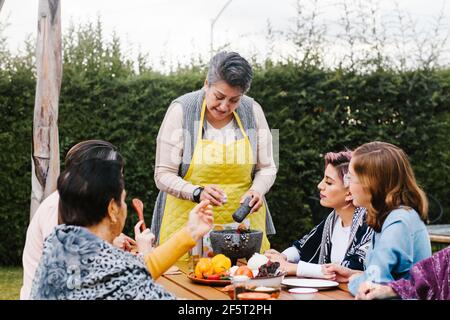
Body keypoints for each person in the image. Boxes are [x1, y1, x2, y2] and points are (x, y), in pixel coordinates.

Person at [31, 157, 214, 299]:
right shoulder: (121, 272)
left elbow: (132, 271)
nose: (124, 207)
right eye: (123, 199)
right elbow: (128, 275)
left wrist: (190, 231)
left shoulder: (56, 244)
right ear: (112, 209)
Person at [151, 51, 277, 258]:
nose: (224, 106)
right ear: (206, 84)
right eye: (219, 96)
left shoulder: (253, 111)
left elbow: (267, 167)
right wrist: (197, 192)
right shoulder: (181, 110)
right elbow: (163, 174)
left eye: (234, 100)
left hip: (244, 227)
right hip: (187, 226)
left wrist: (257, 190)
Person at [21, 140, 136, 300]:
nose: (119, 182)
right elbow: (73, 270)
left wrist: (110, 242)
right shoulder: (57, 207)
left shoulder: (76, 202)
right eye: (116, 174)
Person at [323, 141, 432, 296]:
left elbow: (371, 287)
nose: (348, 186)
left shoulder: (398, 222)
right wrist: (352, 274)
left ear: (371, 184)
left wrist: (355, 280)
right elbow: (387, 279)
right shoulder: (388, 217)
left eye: (351, 179)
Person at [265, 151, 373, 278]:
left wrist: (293, 268)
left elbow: (348, 271)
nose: (320, 186)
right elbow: (303, 246)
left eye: (329, 182)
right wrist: (282, 256)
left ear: (349, 193)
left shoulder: (369, 225)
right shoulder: (333, 220)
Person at [356, 246, 449, 300]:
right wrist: (390, 289)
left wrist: (354, 281)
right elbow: (424, 281)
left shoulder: (399, 220)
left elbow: (377, 275)